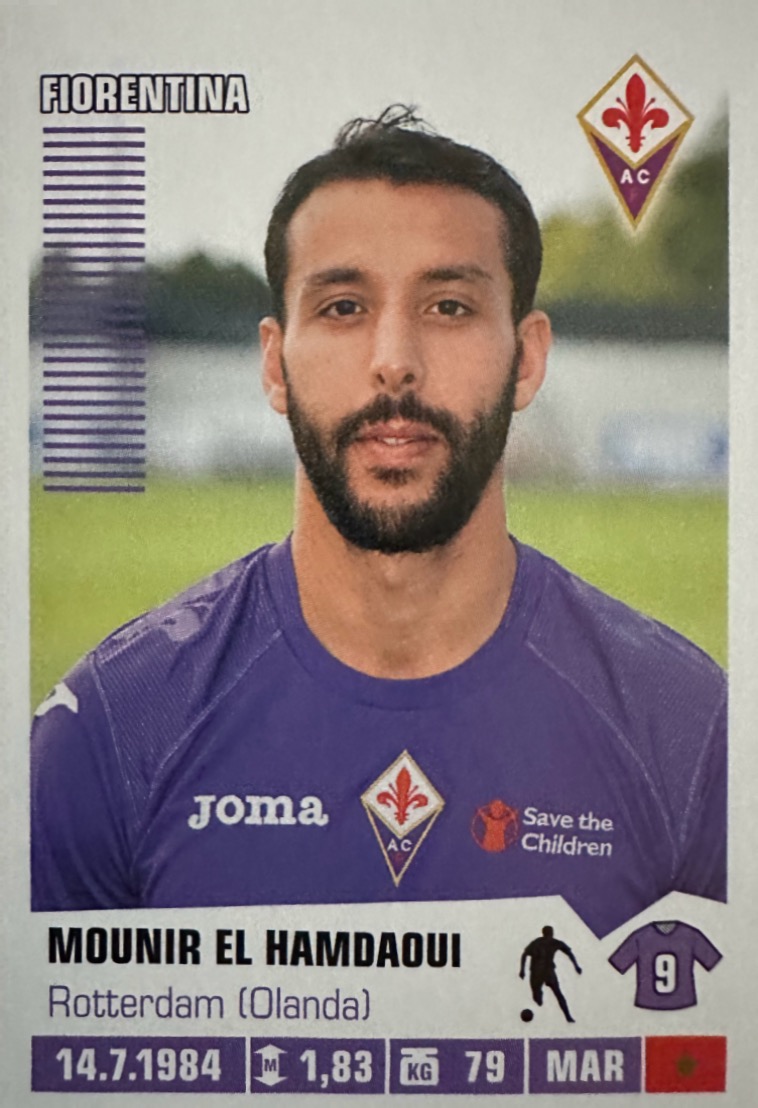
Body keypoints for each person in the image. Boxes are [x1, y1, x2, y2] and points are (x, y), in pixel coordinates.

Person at [31, 106, 726, 937]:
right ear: (274, 364)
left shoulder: (691, 729)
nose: (394, 359)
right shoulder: (111, 726)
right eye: (342, 308)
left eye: (449, 307)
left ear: (528, 358)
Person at [520, 926, 582, 1023]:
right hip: (538, 972)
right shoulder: (538, 942)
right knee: (543, 996)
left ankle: (568, 1016)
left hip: (545, 971)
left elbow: (569, 952)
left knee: (558, 993)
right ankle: (539, 997)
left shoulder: (552, 942)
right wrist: (522, 970)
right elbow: (525, 954)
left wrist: (576, 966)